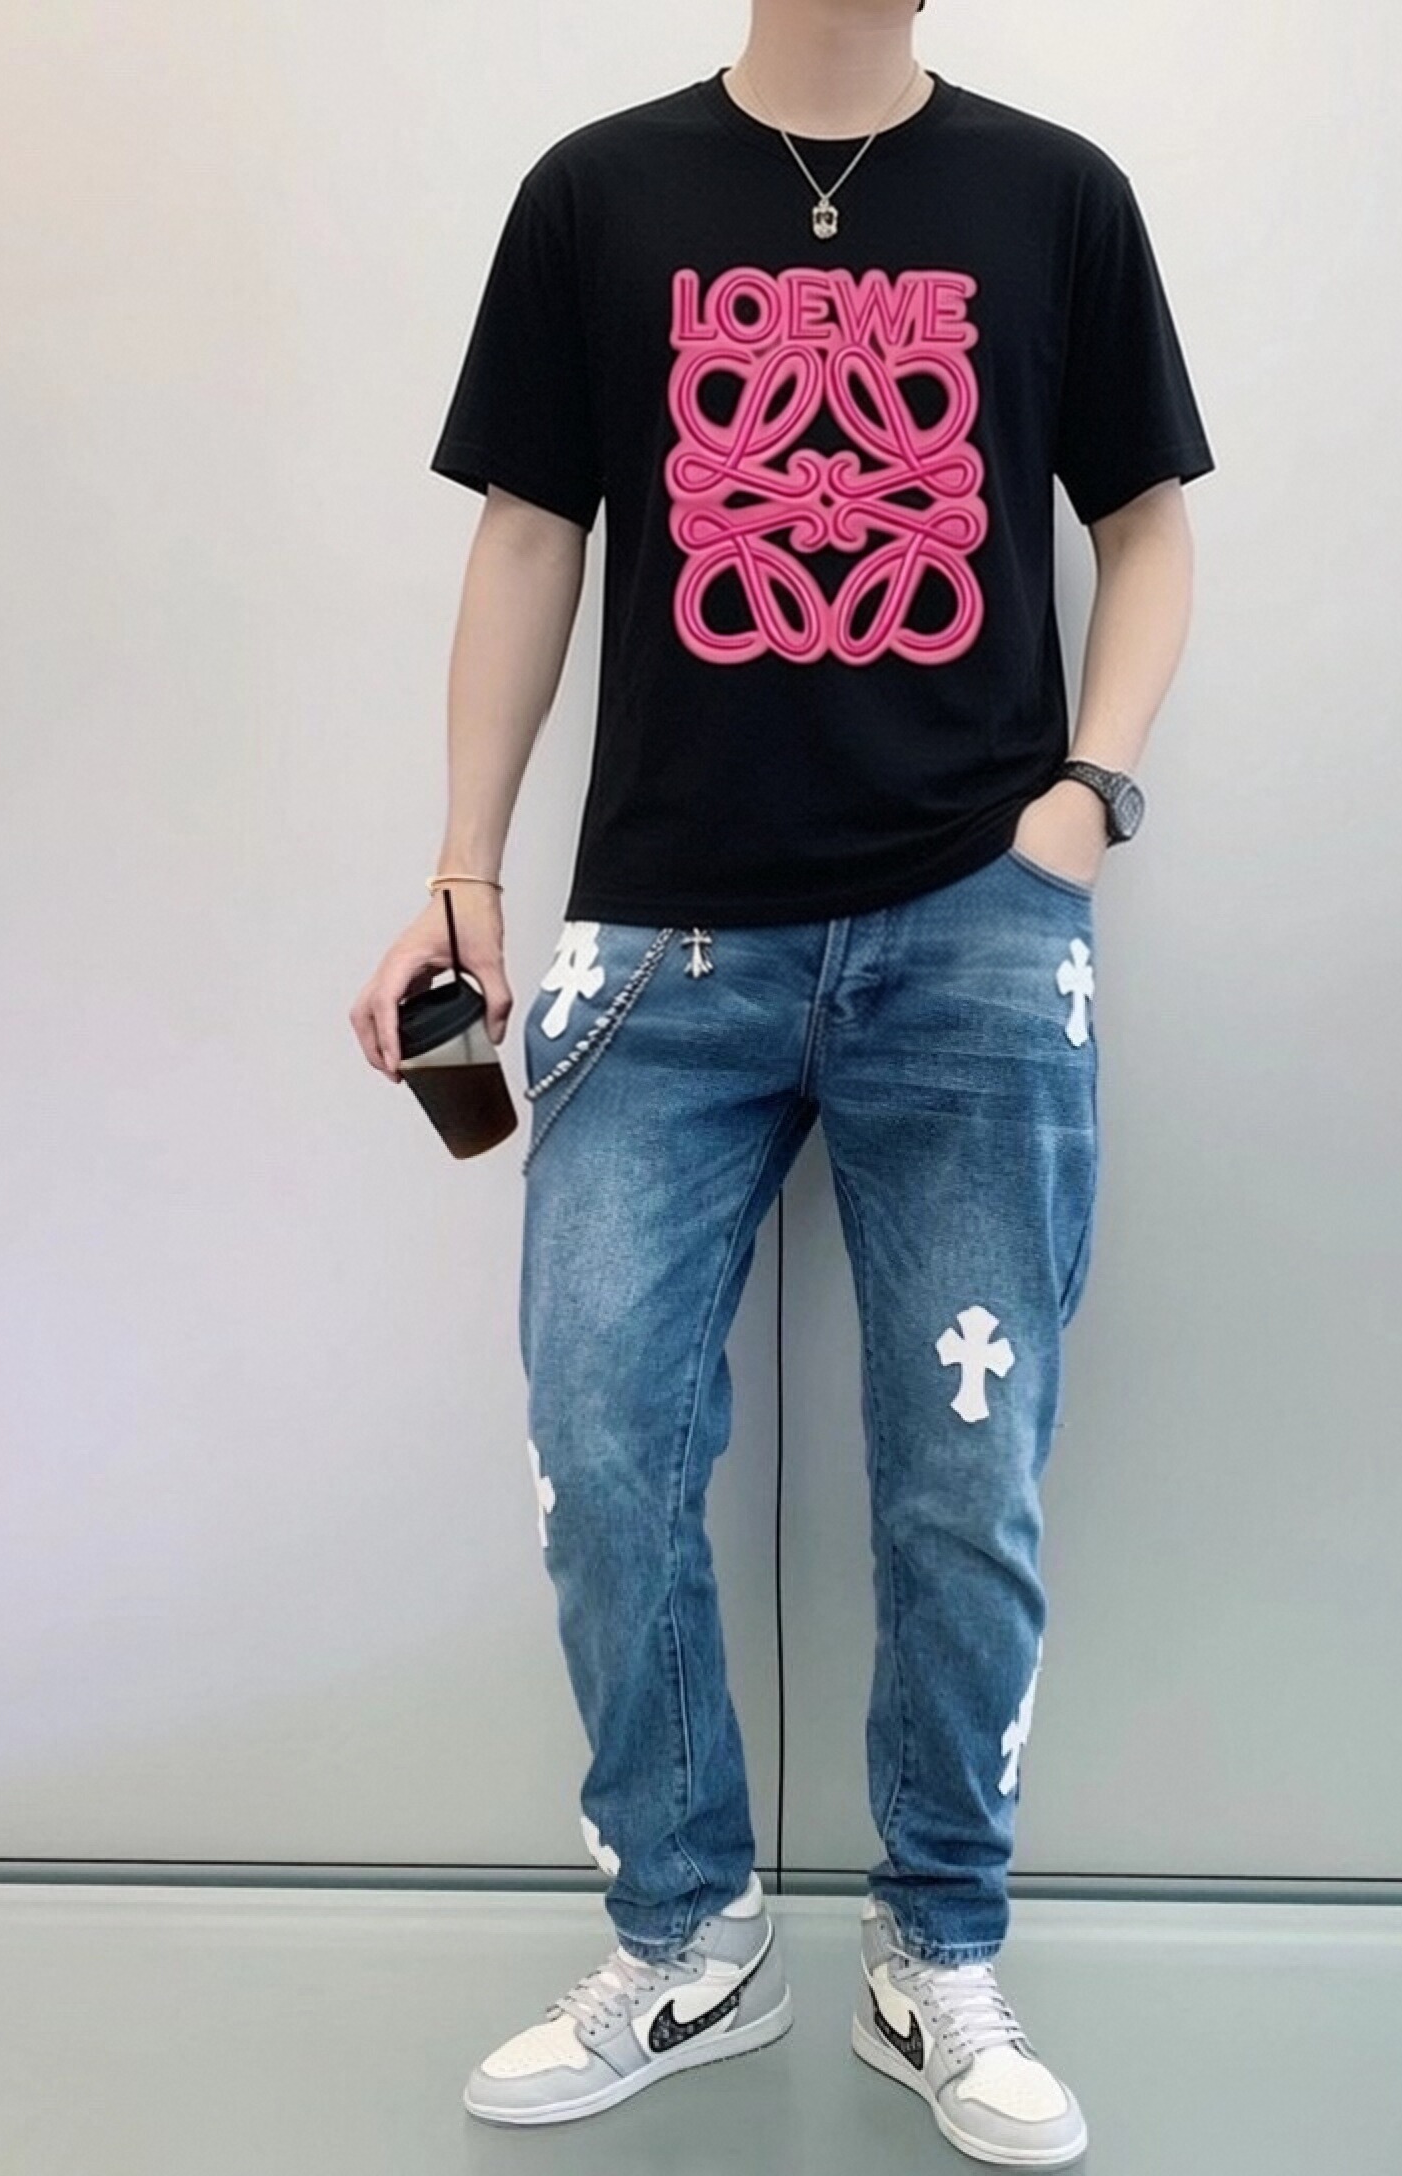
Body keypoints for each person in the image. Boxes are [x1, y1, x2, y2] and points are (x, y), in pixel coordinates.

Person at [350, 1, 1210, 2162]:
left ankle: (940, 1950)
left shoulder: (1055, 195)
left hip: (976, 928)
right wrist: (461, 872)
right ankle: (686, 1937)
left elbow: (1149, 521)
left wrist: (1088, 796)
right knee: (603, 1439)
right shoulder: (597, 193)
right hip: (661, 940)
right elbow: (529, 535)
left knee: (965, 1472)